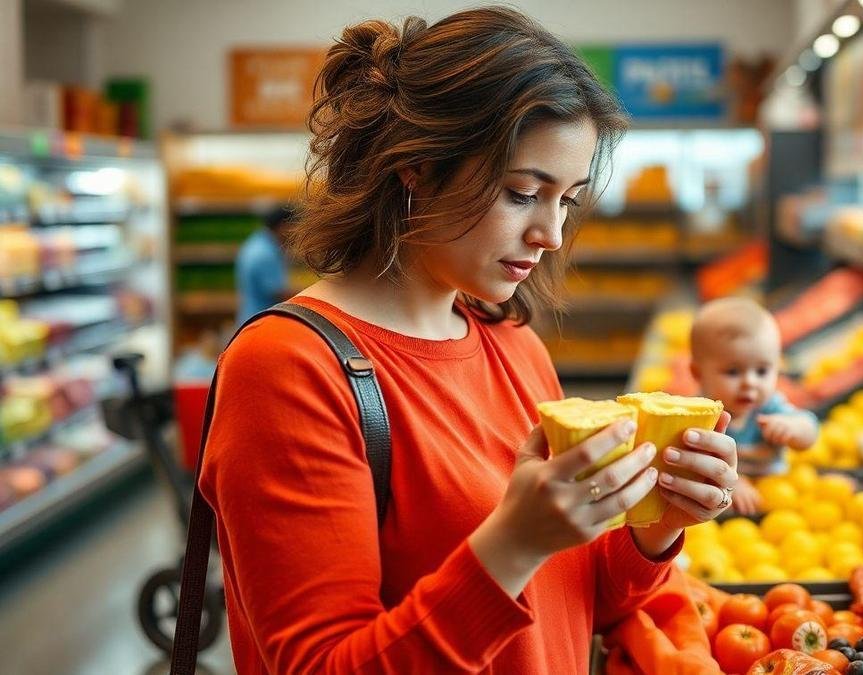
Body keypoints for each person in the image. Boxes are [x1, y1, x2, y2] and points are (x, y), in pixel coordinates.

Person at [199, 7, 739, 674]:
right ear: (417, 169)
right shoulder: (287, 368)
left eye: (566, 200)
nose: (551, 234)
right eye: (521, 194)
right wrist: (512, 542)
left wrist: (656, 525)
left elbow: (576, 605)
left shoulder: (513, 346)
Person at [689, 296, 818, 514]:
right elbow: (690, 466)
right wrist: (729, 483)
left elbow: (810, 429)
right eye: (733, 371)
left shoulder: (769, 408)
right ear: (698, 374)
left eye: (762, 371)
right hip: (724, 509)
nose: (750, 382)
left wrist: (795, 429)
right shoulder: (699, 417)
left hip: (776, 500)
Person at [234, 204, 293, 325]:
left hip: (251, 317)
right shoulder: (265, 254)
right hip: (260, 321)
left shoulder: (258, 242)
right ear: (283, 226)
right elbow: (279, 293)